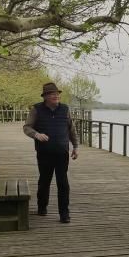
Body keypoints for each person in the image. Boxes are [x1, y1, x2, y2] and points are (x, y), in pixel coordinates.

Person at [23, 82, 79, 223]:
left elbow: (71, 129)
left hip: (62, 152)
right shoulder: (36, 109)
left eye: (57, 93)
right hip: (44, 153)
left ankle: (64, 214)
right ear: (46, 96)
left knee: (63, 183)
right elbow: (27, 127)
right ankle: (42, 207)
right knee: (44, 181)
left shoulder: (65, 109)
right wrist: (36, 134)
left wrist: (76, 147)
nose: (56, 96)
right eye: (53, 94)